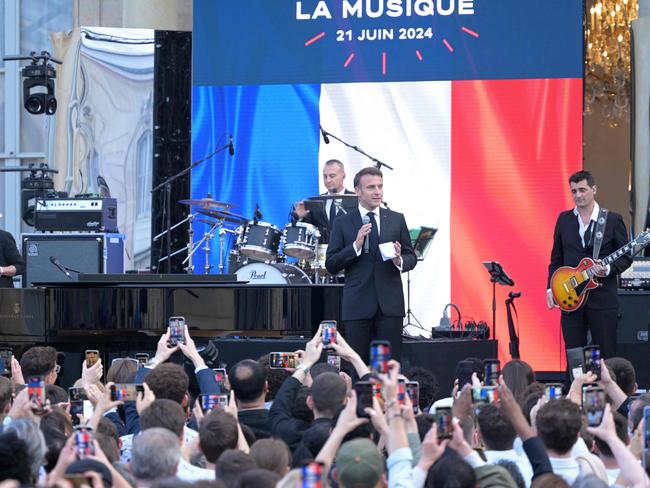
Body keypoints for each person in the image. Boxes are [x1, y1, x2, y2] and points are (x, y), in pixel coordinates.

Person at [325, 166, 416, 361]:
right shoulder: (343, 222)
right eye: (371, 187)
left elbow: (412, 257)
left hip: (390, 306)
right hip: (357, 306)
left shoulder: (396, 219)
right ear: (358, 191)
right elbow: (331, 264)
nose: (377, 192)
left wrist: (399, 259)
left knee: (390, 366)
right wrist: (355, 246)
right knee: (359, 366)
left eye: (380, 186)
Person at [547, 170, 632, 359]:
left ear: (594, 189)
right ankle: (575, 388)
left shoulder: (612, 220)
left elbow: (626, 257)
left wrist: (608, 269)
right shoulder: (564, 220)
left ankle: (607, 389)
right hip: (570, 299)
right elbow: (556, 260)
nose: (578, 195)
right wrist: (550, 289)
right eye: (574, 191)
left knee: (606, 356)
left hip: (602, 300)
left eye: (582, 190)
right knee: (574, 355)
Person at [292, 159, 356, 243]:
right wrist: (300, 217)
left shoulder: (355, 200)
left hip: (348, 253)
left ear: (343, 176)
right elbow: (305, 232)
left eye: (332, 176)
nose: (327, 180)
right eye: (325, 176)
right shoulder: (316, 201)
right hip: (322, 253)